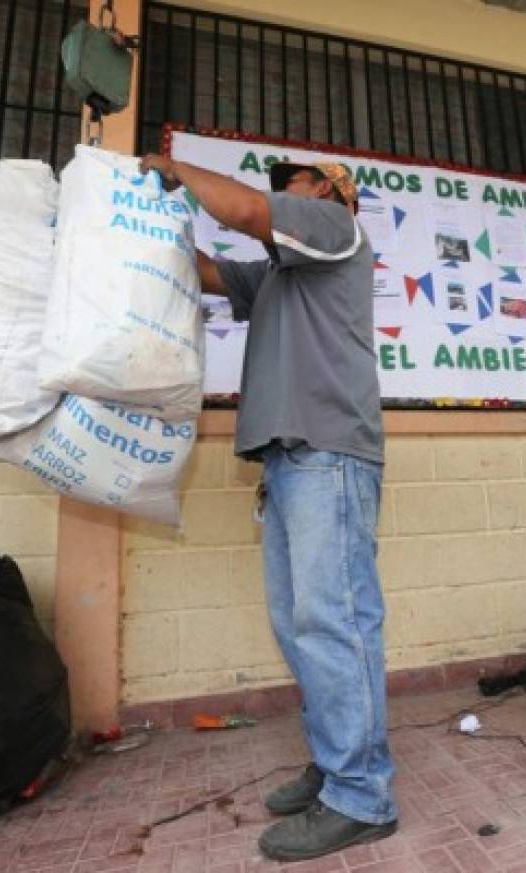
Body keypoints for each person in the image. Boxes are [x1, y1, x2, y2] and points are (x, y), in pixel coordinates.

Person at [138, 152, 396, 861]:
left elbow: (249, 209)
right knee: (299, 622)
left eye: (296, 183)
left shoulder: (332, 227)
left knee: (333, 621)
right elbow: (207, 271)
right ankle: (337, 757)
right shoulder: (284, 273)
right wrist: (141, 216)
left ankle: (361, 792)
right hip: (290, 457)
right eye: (281, 186)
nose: (285, 192)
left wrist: (177, 169)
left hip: (329, 451)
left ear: (330, 192)